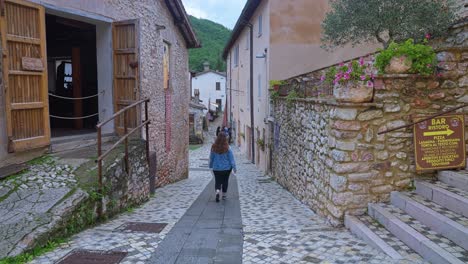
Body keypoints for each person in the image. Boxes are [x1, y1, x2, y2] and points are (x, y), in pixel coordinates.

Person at [209, 133, 237, 202]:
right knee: (225, 181)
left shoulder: (213, 147)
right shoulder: (228, 147)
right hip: (226, 169)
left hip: (216, 168)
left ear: (217, 138)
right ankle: (224, 196)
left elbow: (211, 158)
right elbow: (231, 159)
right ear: (225, 139)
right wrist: (234, 168)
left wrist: (210, 166)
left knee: (217, 181)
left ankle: (217, 192)